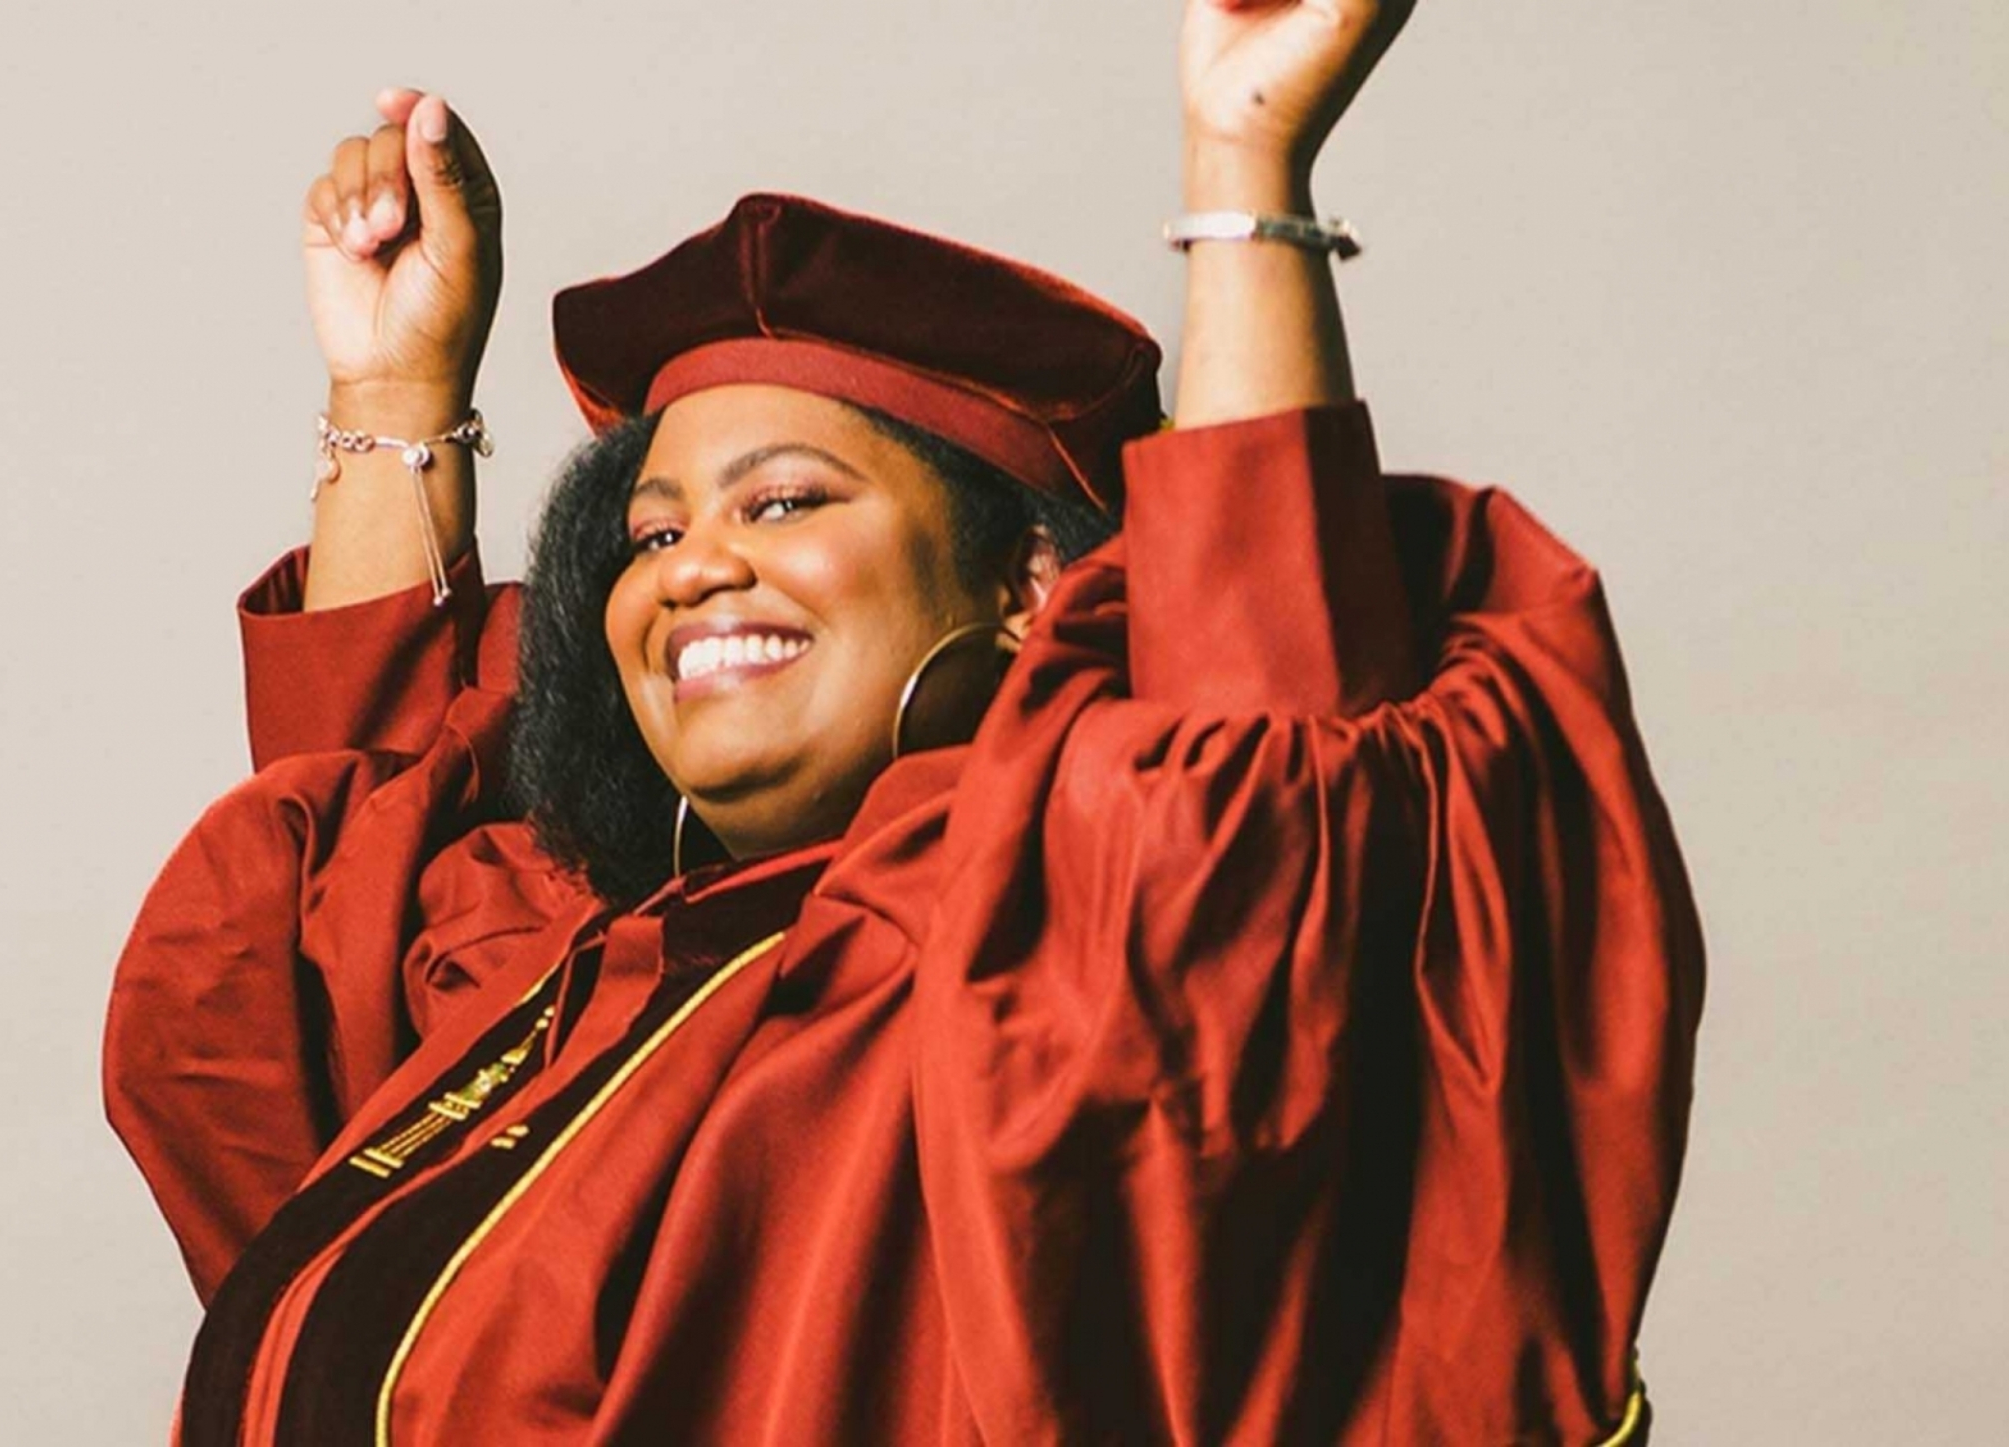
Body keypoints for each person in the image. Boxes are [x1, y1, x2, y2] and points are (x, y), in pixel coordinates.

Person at [104, 2, 1704, 1442]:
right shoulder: (585, 988)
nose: (695, 567)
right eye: (649, 535)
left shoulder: (1034, 973)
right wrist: (392, 397)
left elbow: (1265, 798)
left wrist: (1246, 173)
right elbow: (357, 884)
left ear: (1025, 582)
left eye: (783, 500)